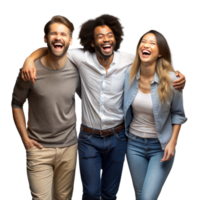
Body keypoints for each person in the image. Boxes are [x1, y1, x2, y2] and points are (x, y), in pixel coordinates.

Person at [20, 14, 186, 200]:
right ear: (92, 42)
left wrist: (177, 74)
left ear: (116, 38)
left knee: (110, 193)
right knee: (90, 192)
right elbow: (55, 48)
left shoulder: (128, 60)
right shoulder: (81, 57)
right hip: (88, 139)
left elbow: (154, 63)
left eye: (110, 35)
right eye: (100, 36)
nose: (106, 39)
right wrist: (29, 58)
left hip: (118, 138)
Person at [11, 15, 81, 200]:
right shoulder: (29, 70)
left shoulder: (78, 69)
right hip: (38, 149)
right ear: (45, 39)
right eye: (54, 34)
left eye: (63, 34)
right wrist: (24, 139)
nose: (58, 37)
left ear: (71, 41)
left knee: (63, 198)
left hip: (69, 148)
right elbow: (16, 103)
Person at [124, 29, 187, 200]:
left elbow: (179, 114)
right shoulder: (127, 75)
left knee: (148, 197)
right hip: (134, 145)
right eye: (144, 41)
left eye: (153, 43)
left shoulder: (172, 80)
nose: (146, 45)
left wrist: (173, 142)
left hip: (160, 148)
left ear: (160, 53)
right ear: (138, 48)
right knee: (139, 194)